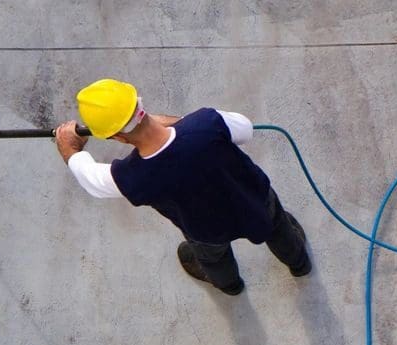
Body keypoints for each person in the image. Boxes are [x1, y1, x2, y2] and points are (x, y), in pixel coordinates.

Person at [55, 78, 311, 296]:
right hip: (255, 200)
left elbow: (91, 178)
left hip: (205, 230)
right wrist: (167, 122)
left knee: (212, 258)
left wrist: (70, 147)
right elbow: (244, 129)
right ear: (140, 104)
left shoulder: (132, 177)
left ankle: (230, 286)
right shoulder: (207, 123)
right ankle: (299, 263)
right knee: (278, 227)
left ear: (117, 137)